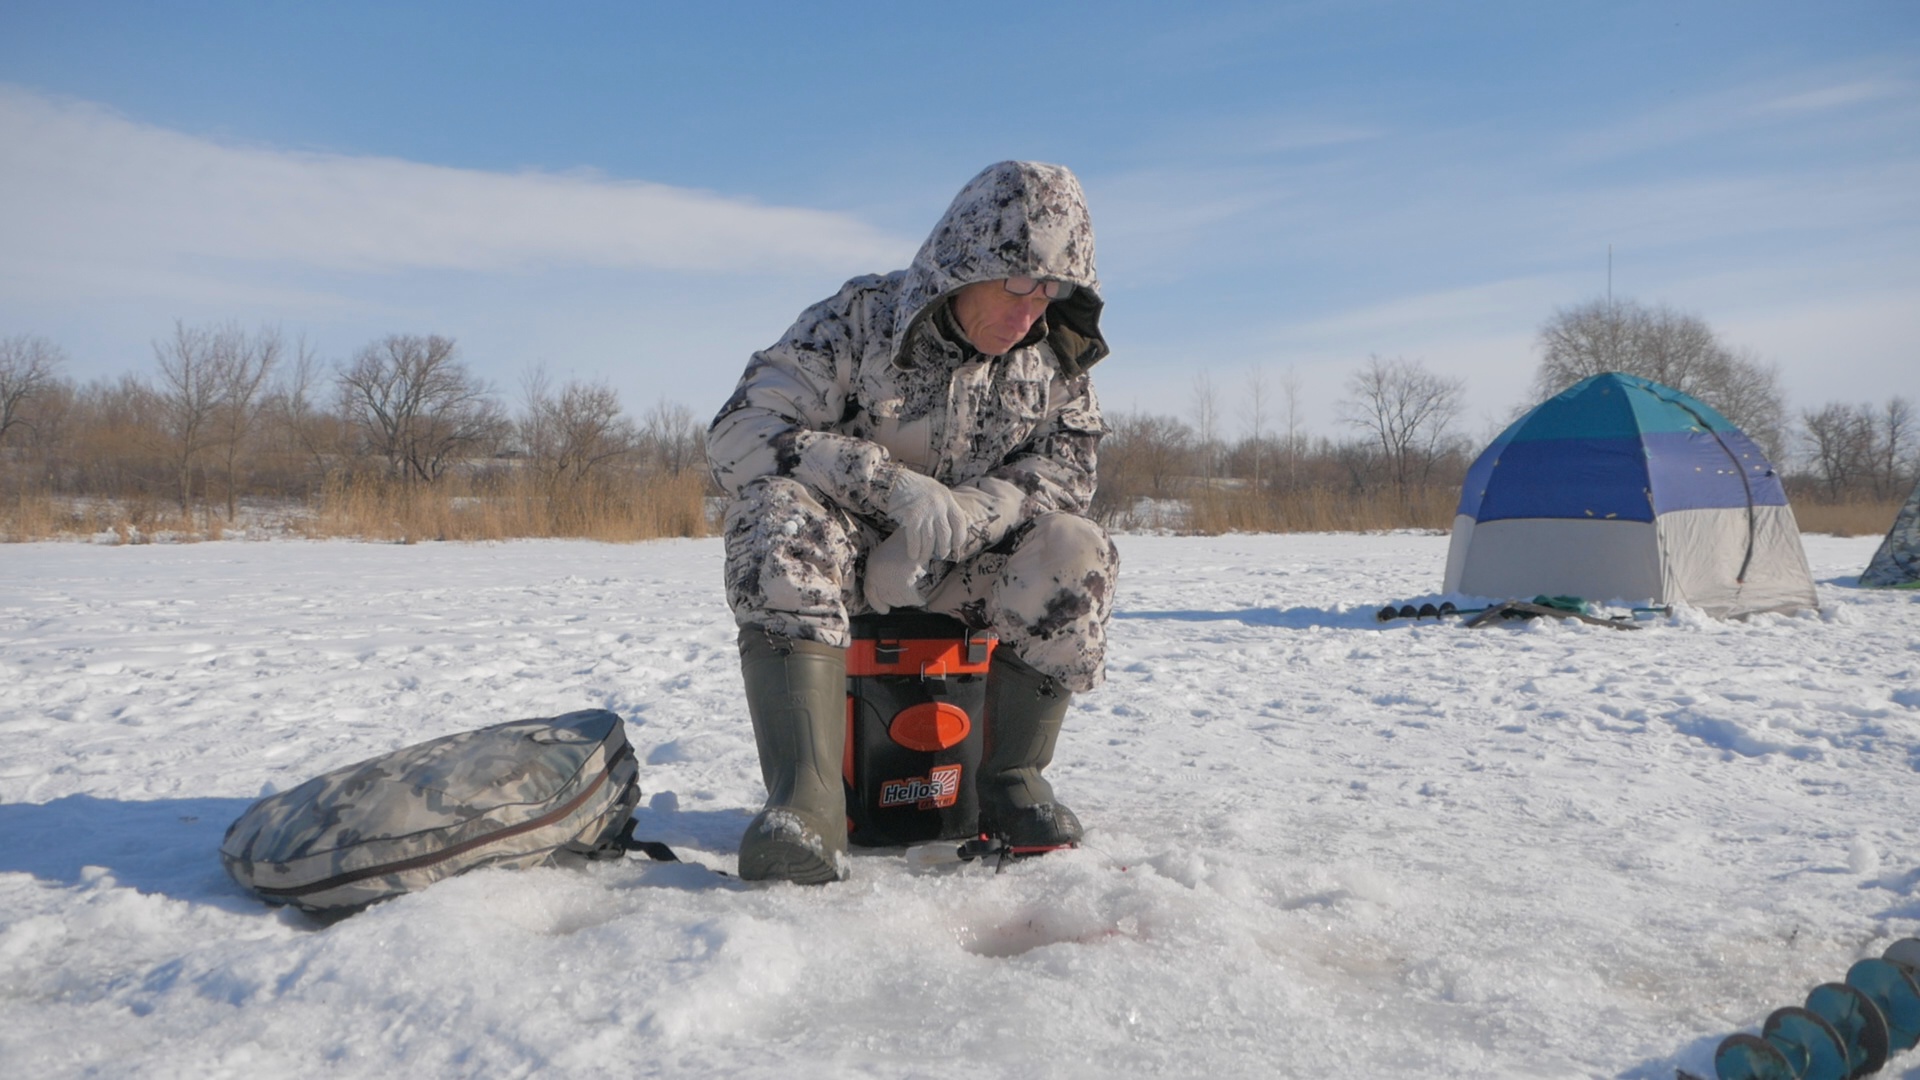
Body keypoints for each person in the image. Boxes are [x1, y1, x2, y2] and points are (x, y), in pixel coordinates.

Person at [707, 160, 1119, 884]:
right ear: (965, 267)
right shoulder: (860, 320)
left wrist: (969, 511)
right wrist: (892, 490)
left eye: (1051, 290)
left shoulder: (1051, 355)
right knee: (774, 516)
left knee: (1074, 547)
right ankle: (806, 806)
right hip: (846, 568)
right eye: (1018, 282)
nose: (1031, 310)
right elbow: (741, 433)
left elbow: (1072, 467)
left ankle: (1011, 784)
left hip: (965, 574)